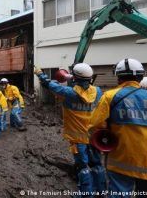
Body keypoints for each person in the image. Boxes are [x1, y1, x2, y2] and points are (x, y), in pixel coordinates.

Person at [90, 58, 147, 196]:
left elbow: (95, 127)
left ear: (118, 77)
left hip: (122, 159)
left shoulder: (110, 96)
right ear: (141, 77)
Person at [35, 63, 106, 194]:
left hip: (78, 139)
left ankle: (86, 193)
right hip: (94, 136)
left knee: (83, 167)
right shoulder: (98, 91)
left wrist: (40, 74)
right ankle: (101, 191)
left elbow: (48, 84)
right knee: (97, 164)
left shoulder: (67, 93)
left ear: (75, 78)